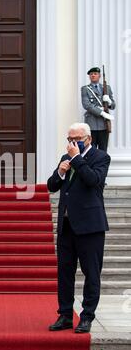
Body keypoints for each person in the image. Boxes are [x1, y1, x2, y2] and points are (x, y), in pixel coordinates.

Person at [47, 123, 110, 333]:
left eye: (77, 139)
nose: (72, 143)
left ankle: (87, 316)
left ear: (88, 139)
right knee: (64, 272)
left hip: (90, 226)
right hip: (67, 226)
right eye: (69, 139)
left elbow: (94, 180)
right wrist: (60, 172)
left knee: (91, 273)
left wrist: (76, 159)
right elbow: (51, 185)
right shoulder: (66, 158)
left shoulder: (101, 157)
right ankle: (65, 315)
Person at [81, 67, 115, 152]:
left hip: (104, 124)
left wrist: (109, 101)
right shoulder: (85, 89)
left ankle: (102, 166)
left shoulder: (106, 88)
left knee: (103, 150)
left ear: (99, 76)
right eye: (91, 74)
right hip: (91, 124)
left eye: (95, 74)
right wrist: (102, 113)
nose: (93, 75)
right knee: (90, 150)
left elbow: (113, 106)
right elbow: (87, 105)